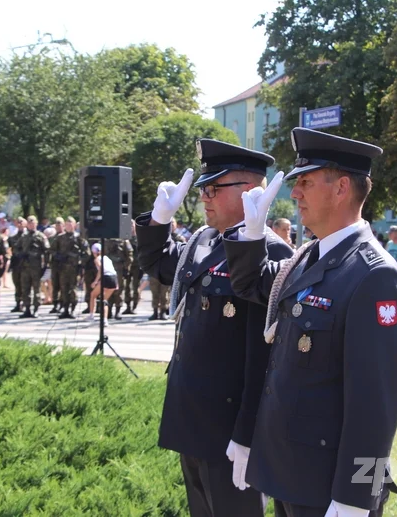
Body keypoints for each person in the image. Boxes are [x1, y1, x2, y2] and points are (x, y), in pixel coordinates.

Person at [224, 127, 397, 517]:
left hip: (329, 489)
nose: (295, 194)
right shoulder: (307, 258)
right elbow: (250, 285)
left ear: (341, 188)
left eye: (305, 182)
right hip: (289, 472)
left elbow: (376, 405)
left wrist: (356, 497)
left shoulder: (373, 274)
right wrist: (251, 234)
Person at [136, 139, 292, 517]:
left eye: (213, 189)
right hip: (193, 415)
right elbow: (158, 265)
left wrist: (247, 433)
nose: (204, 197)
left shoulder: (270, 253)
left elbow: (264, 357)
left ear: (249, 192)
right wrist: (159, 221)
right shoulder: (204, 241)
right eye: (203, 189)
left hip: (229, 427)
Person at [50, 217, 87, 319]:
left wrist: (80, 262)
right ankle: (65, 309)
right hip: (63, 268)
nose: (69, 226)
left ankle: (73, 309)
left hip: (74, 269)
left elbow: (86, 253)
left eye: (71, 224)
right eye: (67, 224)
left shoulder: (79, 238)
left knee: (73, 289)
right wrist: (58, 256)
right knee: (64, 289)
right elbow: (52, 250)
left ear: (74, 225)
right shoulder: (60, 238)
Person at [19, 215, 50, 318]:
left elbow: (46, 251)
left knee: (36, 289)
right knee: (25, 289)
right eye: (29, 223)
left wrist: (45, 265)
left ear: (36, 224)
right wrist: (20, 255)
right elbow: (16, 247)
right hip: (25, 267)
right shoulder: (24, 236)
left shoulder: (41, 236)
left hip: (36, 267)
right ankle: (27, 309)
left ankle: (36, 309)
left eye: (33, 223)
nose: (31, 225)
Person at [86, 243, 119, 322]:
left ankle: (91, 315)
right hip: (113, 278)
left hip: (106, 277)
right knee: (104, 300)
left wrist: (95, 281)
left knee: (93, 295)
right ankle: (105, 320)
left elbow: (101, 269)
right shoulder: (107, 258)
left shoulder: (97, 259)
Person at [104, 237, 133, 320]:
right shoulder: (106, 241)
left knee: (119, 290)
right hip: (108, 269)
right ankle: (108, 310)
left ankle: (117, 310)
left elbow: (129, 256)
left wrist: (126, 268)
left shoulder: (124, 241)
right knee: (108, 290)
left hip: (119, 270)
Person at [7, 217, 28, 313]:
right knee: (17, 285)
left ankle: (25, 303)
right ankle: (18, 303)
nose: (20, 224)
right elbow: (8, 249)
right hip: (16, 264)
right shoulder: (12, 238)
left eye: (21, 222)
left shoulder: (28, 237)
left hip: (26, 265)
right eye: (18, 223)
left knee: (25, 285)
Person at [123, 221, 141, 314]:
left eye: (132, 225)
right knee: (127, 287)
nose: (130, 227)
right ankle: (128, 306)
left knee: (135, 286)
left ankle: (135, 305)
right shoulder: (125, 238)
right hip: (127, 266)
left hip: (137, 266)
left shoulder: (139, 238)